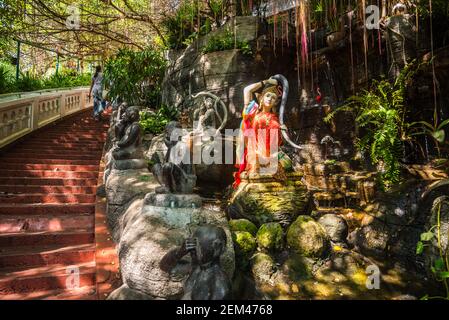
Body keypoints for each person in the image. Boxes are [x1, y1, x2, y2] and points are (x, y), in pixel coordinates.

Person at [234, 78, 284, 187]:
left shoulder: (276, 119)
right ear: (261, 97)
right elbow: (247, 90)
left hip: (271, 156)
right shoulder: (253, 112)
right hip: (254, 154)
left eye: (273, 97)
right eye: (268, 95)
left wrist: (283, 129)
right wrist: (266, 82)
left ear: (275, 102)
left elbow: (277, 142)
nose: (270, 99)